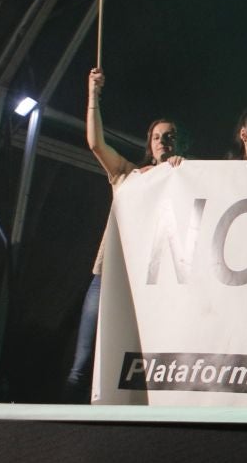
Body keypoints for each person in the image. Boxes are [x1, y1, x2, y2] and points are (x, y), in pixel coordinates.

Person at [71, 67, 185, 400]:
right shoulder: (128, 175)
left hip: (149, 286)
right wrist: (93, 94)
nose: (163, 141)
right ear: (149, 143)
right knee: (82, 364)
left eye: (170, 136)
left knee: (140, 367)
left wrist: (181, 174)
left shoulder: (186, 181)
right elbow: (95, 144)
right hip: (107, 278)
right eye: (157, 136)